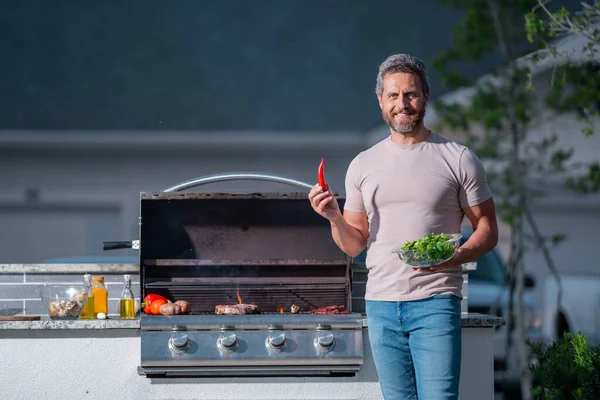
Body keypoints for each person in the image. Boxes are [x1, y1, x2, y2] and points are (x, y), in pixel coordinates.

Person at [308, 53, 498, 400]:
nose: (402, 104)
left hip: (436, 301)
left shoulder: (457, 158)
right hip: (381, 305)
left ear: (425, 96)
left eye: (410, 94)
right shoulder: (363, 165)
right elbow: (354, 244)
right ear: (381, 101)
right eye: (393, 96)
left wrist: (456, 256)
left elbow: (486, 227)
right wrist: (333, 216)